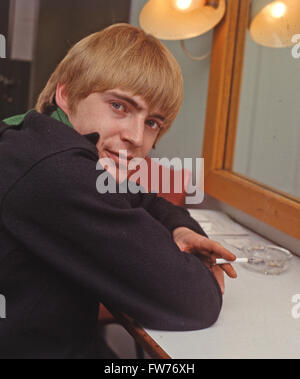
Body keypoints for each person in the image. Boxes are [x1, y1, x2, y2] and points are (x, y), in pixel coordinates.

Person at [0, 23, 237, 359]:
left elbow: (140, 196)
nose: (137, 137)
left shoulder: (41, 138)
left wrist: (181, 229)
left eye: (152, 122)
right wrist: (207, 275)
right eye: (120, 107)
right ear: (66, 94)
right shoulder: (58, 171)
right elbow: (194, 301)